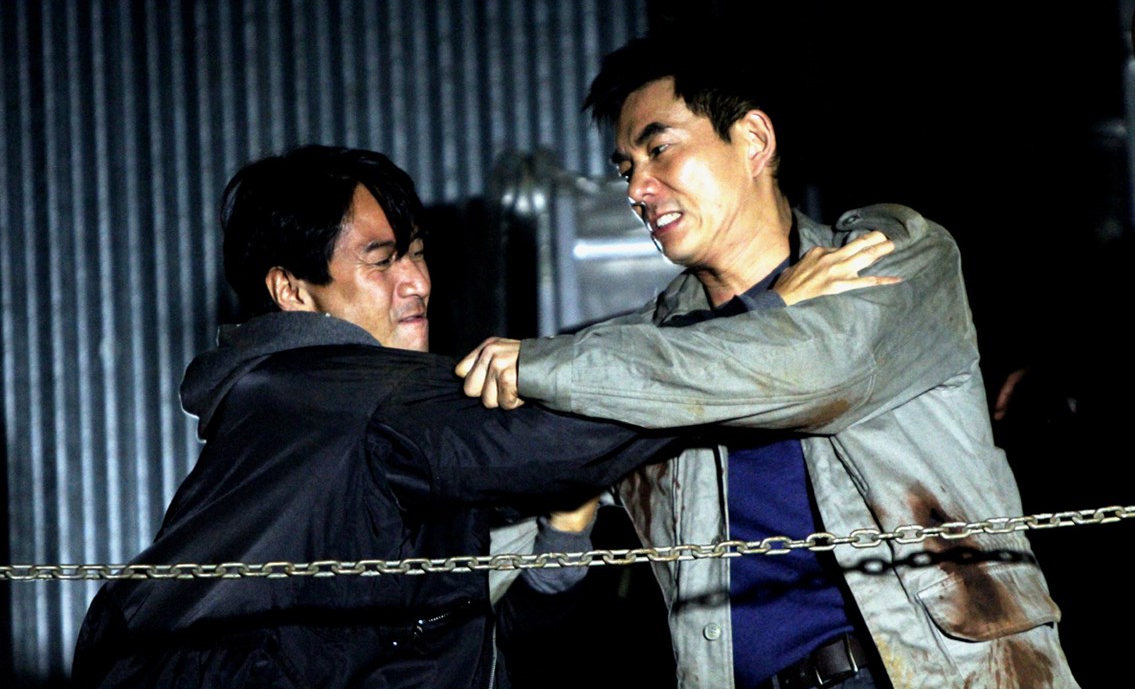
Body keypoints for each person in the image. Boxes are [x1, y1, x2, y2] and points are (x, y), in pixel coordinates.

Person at [457, 33, 1080, 688]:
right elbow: (491, 547)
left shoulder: (886, 258)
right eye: (624, 169)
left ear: (753, 140)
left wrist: (542, 365)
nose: (638, 188)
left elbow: (812, 367)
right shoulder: (635, 356)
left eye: (659, 149)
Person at [70, 145, 680, 689]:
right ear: (291, 291)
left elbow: (463, 644)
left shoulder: (289, 403)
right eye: (381, 261)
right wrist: (718, 338)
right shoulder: (353, 396)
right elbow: (574, 434)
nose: (417, 282)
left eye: (416, 253)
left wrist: (563, 533)